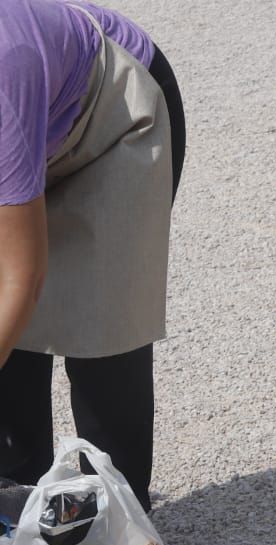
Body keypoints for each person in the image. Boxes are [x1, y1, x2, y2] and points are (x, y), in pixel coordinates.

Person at [0, 0, 186, 511]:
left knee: (103, 334)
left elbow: (21, 277)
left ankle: (119, 528)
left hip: (117, 117)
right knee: (12, 344)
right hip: (42, 112)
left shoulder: (5, 70)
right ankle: (19, 511)